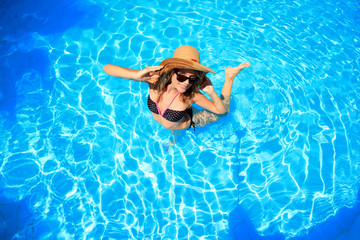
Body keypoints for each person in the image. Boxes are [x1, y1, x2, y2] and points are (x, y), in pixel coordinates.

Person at [103, 46, 250, 131]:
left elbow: (221, 111)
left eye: (192, 78)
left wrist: (211, 91)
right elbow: (107, 68)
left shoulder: (192, 95)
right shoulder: (154, 81)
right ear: (172, 73)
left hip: (187, 123)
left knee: (224, 113)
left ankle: (229, 77)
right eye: (181, 77)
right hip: (172, 122)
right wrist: (136, 75)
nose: (186, 82)